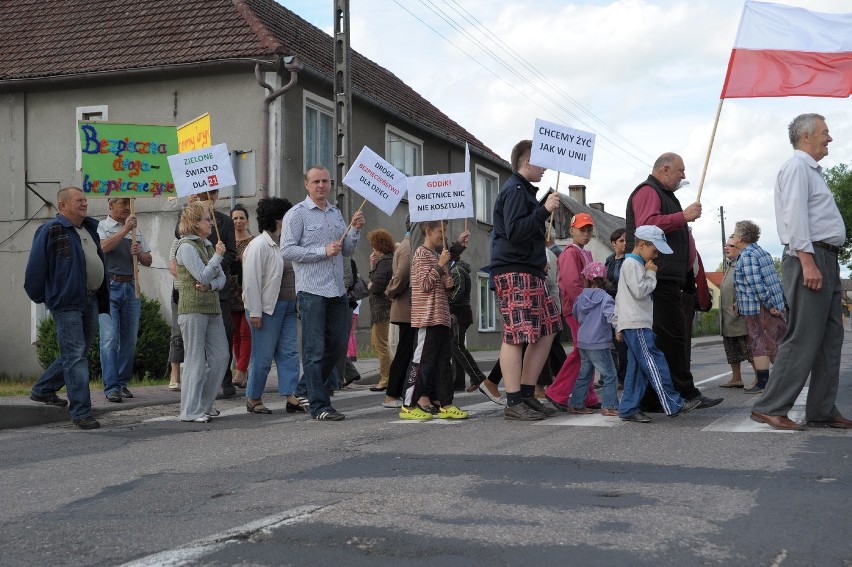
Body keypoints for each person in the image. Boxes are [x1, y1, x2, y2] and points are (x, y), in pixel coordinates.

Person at [751, 113, 852, 431]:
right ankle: (770, 406)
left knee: (830, 338)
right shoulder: (797, 167)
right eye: (825, 132)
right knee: (804, 336)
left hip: (826, 259)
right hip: (810, 257)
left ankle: (821, 408)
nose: (829, 138)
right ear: (806, 136)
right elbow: (794, 217)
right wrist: (808, 262)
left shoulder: (810, 171)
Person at [625, 152, 722, 410]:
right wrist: (683, 216)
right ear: (665, 169)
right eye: (680, 171)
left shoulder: (665, 194)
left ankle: (659, 396)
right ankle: (684, 393)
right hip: (658, 276)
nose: (684, 176)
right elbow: (647, 226)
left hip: (668, 276)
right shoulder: (648, 191)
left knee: (669, 339)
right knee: (672, 338)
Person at [280, 165, 364, 421]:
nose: (321, 186)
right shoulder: (297, 214)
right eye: (316, 181)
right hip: (312, 291)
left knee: (338, 344)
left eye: (325, 181)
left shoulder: (337, 214)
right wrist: (321, 252)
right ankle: (319, 405)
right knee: (314, 349)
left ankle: (305, 388)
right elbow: (287, 251)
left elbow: (347, 249)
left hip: (337, 290)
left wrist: (356, 229)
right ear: (307, 184)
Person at [490, 139, 562, 421]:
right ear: (528, 160)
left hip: (529, 270)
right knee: (516, 333)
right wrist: (543, 210)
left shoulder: (522, 191)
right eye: (541, 162)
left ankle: (527, 394)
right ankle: (513, 401)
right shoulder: (515, 189)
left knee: (547, 329)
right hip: (513, 270)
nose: (545, 169)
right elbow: (515, 230)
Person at [25, 187, 108, 430]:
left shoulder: (90, 228)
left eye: (85, 200)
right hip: (67, 302)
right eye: (79, 201)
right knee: (75, 357)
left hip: (91, 299)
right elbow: (35, 269)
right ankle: (81, 412)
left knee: (76, 354)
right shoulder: (51, 230)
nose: (84, 204)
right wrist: (46, 297)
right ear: (63, 206)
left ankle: (43, 389)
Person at [616, 225, 701, 423]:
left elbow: (622, 296)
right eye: (654, 251)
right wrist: (651, 273)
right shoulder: (633, 265)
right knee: (655, 361)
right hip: (637, 322)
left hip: (634, 322)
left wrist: (619, 324)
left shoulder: (631, 264)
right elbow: (640, 291)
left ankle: (628, 407)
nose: (655, 256)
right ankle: (673, 402)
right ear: (642, 244)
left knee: (637, 369)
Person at [401, 220, 469, 420]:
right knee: (421, 362)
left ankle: (446, 403)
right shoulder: (421, 254)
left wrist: (447, 286)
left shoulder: (437, 255)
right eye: (441, 231)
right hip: (427, 318)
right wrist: (439, 267)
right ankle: (408, 404)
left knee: (444, 364)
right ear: (428, 231)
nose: (443, 235)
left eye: (445, 230)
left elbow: (439, 288)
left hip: (441, 317)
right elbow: (423, 285)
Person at [242, 197, 303, 414]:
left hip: (288, 306)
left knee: (289, 353)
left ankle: (291, 395)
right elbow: (250, 282)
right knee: (263, 356)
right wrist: (255, 312)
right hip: (266, 309)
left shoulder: (287, 243)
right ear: (279, 219)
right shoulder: (259, 245)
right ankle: (254, 398)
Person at [175, 190, 238, 396]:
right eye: (206, 220)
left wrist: (213, 279)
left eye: (212, 192)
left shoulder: (221, 227)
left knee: (222, 349)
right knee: (196, 356)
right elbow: (201, 274)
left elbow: (226, 261)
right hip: (194, 304)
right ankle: (193, 403)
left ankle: (216, 389)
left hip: (217, 297)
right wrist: (189, 207)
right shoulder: (187, 242)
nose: (211, 224)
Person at [97, 197, 152, 403]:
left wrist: (139, 253)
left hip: (131, 286)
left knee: (129, 340)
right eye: (122, 203)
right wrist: (124, 231)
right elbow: (103, 248)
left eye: (129, 203)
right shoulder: (102, 226)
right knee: (110, 338)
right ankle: (111, 386)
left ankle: (121, 383)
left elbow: (148, 259)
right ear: (111, 205)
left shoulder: (136, 230)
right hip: (109, 286)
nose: (127, 207)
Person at [544, 212, 600, 411]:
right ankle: (557, 392)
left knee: (587, 350)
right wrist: (586, 306)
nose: (586, 234)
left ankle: (588, 396)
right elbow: (571, 283)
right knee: (581, 350)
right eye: (582, 230)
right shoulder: (570, 252)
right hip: (577, 308)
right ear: (571, 231)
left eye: (589, 230)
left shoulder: (583, 252)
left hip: (583, 307)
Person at [731, 220, 787, 394]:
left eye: (734, 234)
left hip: (758, 307)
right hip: (768, 304)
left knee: (759, 343)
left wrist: (769, 306)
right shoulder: (761, 252)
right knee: (774, 343)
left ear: (740, 237)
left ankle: (764, 382)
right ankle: (783, 380)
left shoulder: (747, 256)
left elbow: (756, 284)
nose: (733, 237)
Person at [569, 262, 619, 416]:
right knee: (610, 375)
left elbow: (575, 314)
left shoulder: (580, 297)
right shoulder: (605, 297)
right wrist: (619, 328)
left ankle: (576, 404)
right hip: (599, 342)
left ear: (587, 278)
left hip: (583, 341)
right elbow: (611, 315)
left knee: (585, 373)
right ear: (603, 280)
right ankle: (609, 406)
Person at [448, 231, 487, 391]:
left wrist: (447, 304)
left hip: (459, 313)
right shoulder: (457, 269)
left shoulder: (456, 270)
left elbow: (458, 293)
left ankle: (477, 377)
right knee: (455, 346)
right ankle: (458, 382)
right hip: (461, 313)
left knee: (456, 346)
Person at [383, 223, 413, 409]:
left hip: (406, 306)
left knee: (407, 350)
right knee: (405, 351)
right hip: (406, 307)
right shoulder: (409, 246)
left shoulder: (406, 244)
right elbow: (402, 275)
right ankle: (392, 393)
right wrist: (391, 291)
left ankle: (397, 391)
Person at [718, 236, 753, 389]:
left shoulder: (742, 264)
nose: (727, 248)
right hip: (727, 317)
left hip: (740, 314)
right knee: (731, 349)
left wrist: (740, 304)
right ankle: (736, 378)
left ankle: (760, 378)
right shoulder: (729, 265)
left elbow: (747, 286)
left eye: (731, 245)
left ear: (739, 248)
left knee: (749, 348)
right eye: (726, 245)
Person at [367, 229, 395, 392]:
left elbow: (376, 286)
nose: (372, 250)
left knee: (381, 344)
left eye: (374, 246)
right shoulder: (383, 260)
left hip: (382, 308)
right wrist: (372, 265)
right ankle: (387, 376)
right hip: (380, 308)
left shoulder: (385, 262)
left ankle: (386, 378)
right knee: (376, 343)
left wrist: (371, 285)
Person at [229, 203, 253, 389]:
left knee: (246, 332)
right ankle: (242, 372)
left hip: (248, 293)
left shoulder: (254, 242)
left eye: (241, 218)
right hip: (231, 294)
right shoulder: (226, 243)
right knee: (235, 334)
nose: (238, 221)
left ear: (247, 220)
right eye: (235, 218)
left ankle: (240, 370)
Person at [604, 228, 627, 388]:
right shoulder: (610, 260)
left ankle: (625, 377)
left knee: (623, 342)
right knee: (615, 343)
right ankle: (619, 377)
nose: (625, 244)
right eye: (621, 241)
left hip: (625, 304)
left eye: (626, 241)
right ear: (613, 243)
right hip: (611, 305)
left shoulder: (630, 260)